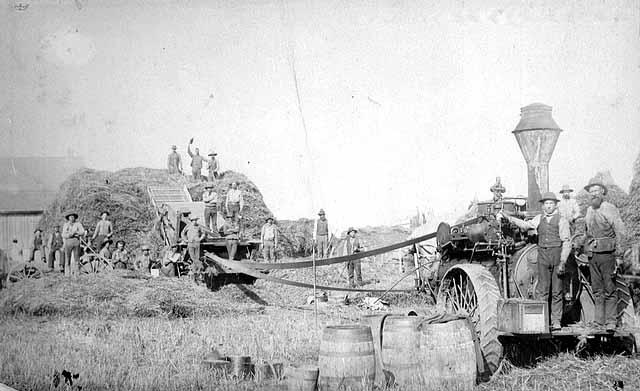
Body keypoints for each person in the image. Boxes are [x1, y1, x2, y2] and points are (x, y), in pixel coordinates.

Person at [499, 192, 570, 331]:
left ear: (555, 205)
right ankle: (541, 321)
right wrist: (509, 217)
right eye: (546, 204)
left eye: (551, 203)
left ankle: (556, 322)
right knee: (542, 290)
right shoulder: (539, 218)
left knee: (557, 291)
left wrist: (563, 261)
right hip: (542, 255)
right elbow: (525, 226)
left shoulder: (562, 220)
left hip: (557, 255)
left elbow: (567, 242)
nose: (548, 206)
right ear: (543, 206)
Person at [583, 179, 627, 332]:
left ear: (602, 192)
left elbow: (620, 231)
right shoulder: (589, 210)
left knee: (610, 288)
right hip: (592, 254)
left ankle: (611, 322)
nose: (593, 194)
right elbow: (587, 232)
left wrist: (619, 255)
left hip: (608, 254)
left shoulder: (609, 208)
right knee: (597, 289)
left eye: (596, 190)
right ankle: (598, 321)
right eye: (591, 191)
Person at [62, 211, 85, 276]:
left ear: (75, 218)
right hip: (68, 241)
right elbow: (63, 234)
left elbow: (82, 232)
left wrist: (76, 233)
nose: (72, 218)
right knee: (67, 258)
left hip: (76, 241)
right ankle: (67, 274)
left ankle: (77, 273)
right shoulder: (66, 225)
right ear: (68, 218)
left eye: (73, 217)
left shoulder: (78, 224)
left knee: (77, 258)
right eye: (70, 217)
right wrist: (69, 234)